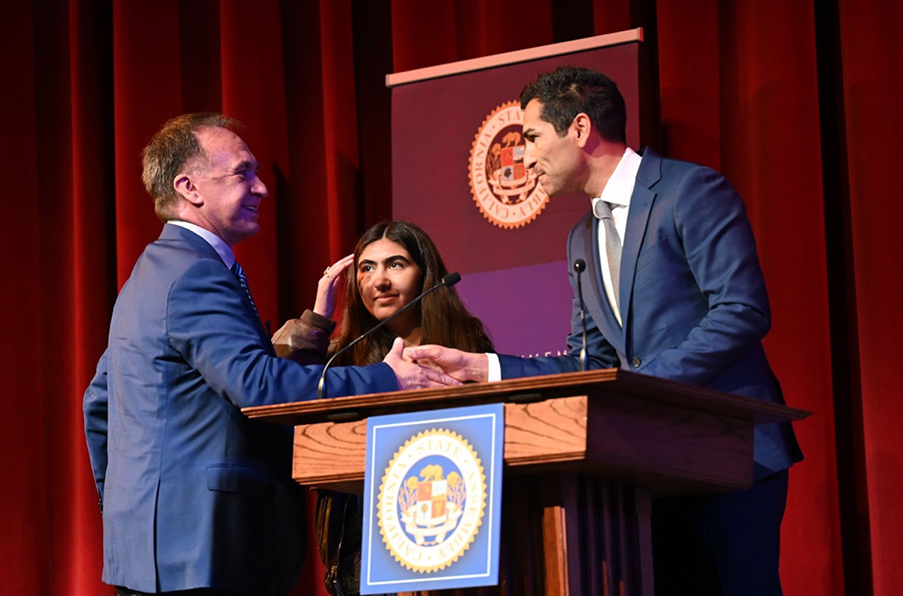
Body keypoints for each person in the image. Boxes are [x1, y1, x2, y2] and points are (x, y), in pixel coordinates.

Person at [404, 66, 803, 595]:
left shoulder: (691, 191)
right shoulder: (582, 238)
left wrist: (642, 389)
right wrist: (485, 368)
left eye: (530, 137)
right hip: (651, 466)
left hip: (730, 453)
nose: (521, 157)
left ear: (580, 128)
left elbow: (741, 311)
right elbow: (588, 360)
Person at [82, 114, 458, 596]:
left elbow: (99, 404)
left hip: (151, 557)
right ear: (189, 187)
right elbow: (259, 386)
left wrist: (127, 509)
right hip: (209, 552)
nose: (261, 187)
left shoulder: (146, 278)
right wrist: (389, 378)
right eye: (243, 173)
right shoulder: (196, 274)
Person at [271, 220, 493, 595]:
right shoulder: (342, 352)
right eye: (367, 268)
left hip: (442, 532)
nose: (380, 281)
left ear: (425, 273)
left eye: (396, 264)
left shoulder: (462, 345)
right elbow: (285, 396)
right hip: (357, 545)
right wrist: (317, 320)